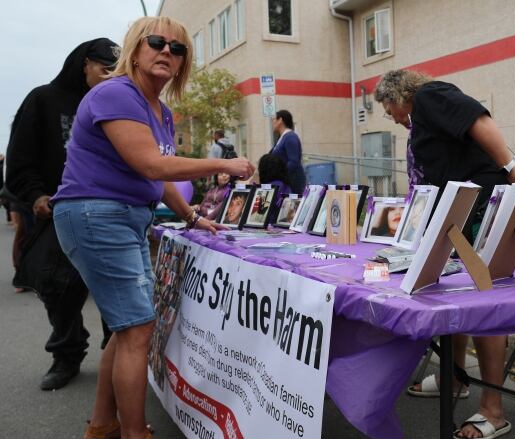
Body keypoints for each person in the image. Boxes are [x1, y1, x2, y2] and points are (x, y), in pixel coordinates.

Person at [50, 17, 254, 439]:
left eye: (177, 49)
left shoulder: (159, 110)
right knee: (137, 329)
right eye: (157, 42)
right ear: (136, 48)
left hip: (123, 218)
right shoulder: (117, 93)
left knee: (128, 328)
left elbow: (156, 181)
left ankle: (104, 424)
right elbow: (151, 164)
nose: (166, 52)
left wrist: (193, 216)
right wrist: (222, 162)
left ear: (182, 63)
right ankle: (134, 432)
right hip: (96, 215)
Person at [375, 69, 515, 439]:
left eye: (389, 110)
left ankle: (493, 410)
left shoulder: (430, 96)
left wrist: (514, 171)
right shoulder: (425, 116)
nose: (394, 119)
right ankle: (455, 378)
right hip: (461, 215)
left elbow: (477, 119)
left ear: (399, 96)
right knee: (454, 297)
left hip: (484, 211)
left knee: (485, 304)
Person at [5, 37, 120, 390]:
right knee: (58, 289)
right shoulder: (43, 99)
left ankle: (116, 353)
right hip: (59, 212)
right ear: (84, 64)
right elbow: (20, 158)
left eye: (117, 73)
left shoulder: (116, 103)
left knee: (115, 289)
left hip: (110, 212)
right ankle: (67, 353)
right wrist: (36, 195)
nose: (110, 79)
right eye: (104, 71)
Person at [270, 110, 306, 194]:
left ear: (280, 120)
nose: (273, 122)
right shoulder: (282, 137)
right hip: (286, 181)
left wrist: (280, 174)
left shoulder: (290, 137)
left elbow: (293, 162)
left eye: (275, 119)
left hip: (292, 183)